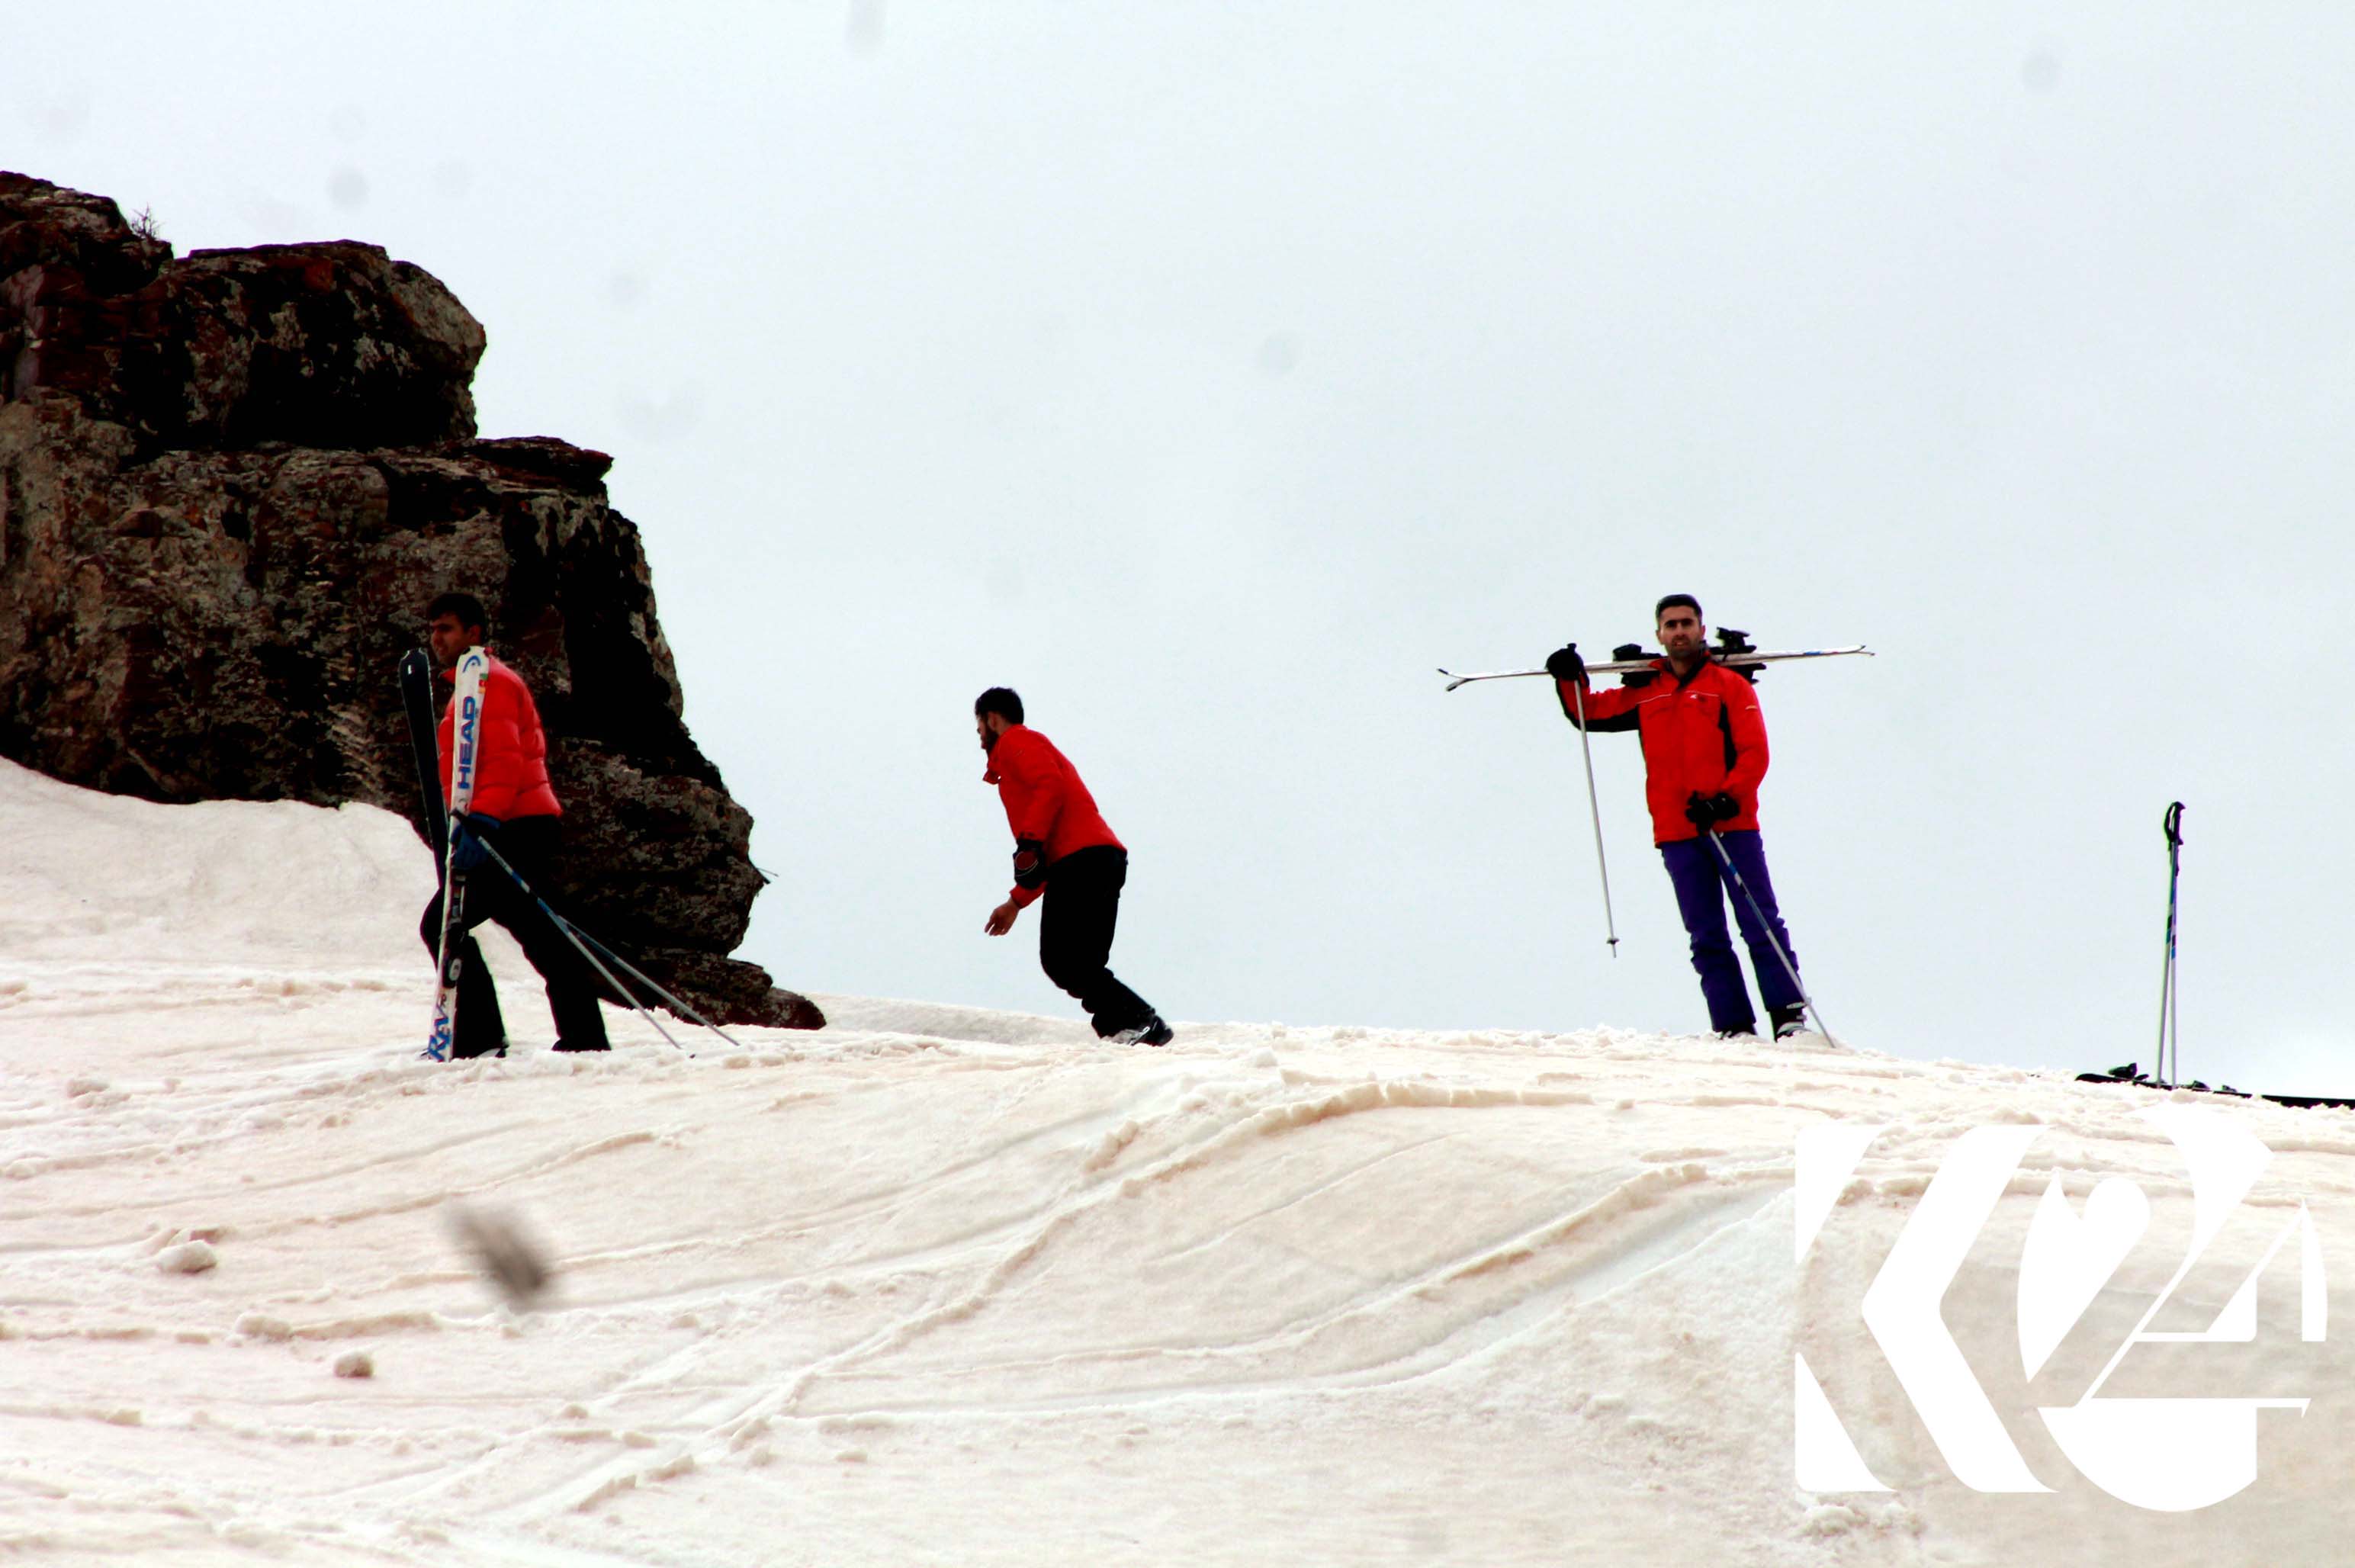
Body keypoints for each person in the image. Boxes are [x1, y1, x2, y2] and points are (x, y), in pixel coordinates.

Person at [1547, 594, 1810, 1040]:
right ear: (1659, 635)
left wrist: (1726, 799)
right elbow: (1587, 713)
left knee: (1759, 920)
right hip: (1676, 830)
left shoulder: (1729, 685)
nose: (1679, 631)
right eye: (1670, 625)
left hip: (1731, 824)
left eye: (1687, 623)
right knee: (1705, 934)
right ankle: (1733, 1028)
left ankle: (1789, 1020)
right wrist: (1569, 677)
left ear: (1701, 630)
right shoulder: (1647, 690)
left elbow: (1754, 752)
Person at [418, 592, 611, 1058]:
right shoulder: (471, 687)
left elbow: (503, 760)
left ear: (474, 633)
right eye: (433, 629)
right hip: (515, 825)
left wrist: (481, 823)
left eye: (446, 628)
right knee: (542, 937)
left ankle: (481, 1036)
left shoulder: (492, 684)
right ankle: (584, 1038)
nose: (436, 638)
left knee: (444, 926)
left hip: (513, 827)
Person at [975, 687, 1173, 1046]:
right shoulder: (1021, 756)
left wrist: (1029, 841)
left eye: (979, 730)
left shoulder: (1017, 742)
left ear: (991, 719)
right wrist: (1015, 902)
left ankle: (1138, 1022)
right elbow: (1041, 859)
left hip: (1081, 862)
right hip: (1099, 859)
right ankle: (1131, 1030)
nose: (980, 741)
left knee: (1062, 960)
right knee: (1080, 963)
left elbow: (1048, 786)